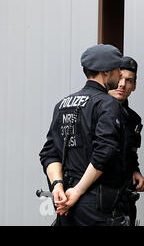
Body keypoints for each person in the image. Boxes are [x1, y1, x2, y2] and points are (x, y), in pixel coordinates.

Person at [39, 44, 132, 226]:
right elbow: (104, 152)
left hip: (66, 202)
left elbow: (49, 153)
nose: (120, 74)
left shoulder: (63, 104)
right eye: (117, 69)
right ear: (105, 73)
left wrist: (58, 186)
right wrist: (78, 191)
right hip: (96, 205)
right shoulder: (107, 104)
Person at [108, 56, 144, 223]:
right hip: (95, 199)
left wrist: (135, 170)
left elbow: (130, 153)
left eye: (129, 80)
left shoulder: (133, 119)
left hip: (123, 199)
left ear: (134, 86)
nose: (122, 84)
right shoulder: (92, 111)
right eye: (120, 78)